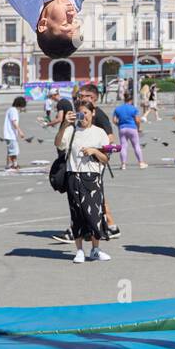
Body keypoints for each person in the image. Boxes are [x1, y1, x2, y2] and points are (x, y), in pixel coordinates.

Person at [55, 102, 112, 263]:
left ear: (93, 113)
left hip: (93, 177)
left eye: (86, 113)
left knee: (95, 215)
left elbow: (105, 159)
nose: (83, 116)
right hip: (74, 176)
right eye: (80, 113)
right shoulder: (71, 130)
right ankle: (79, 250)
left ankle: (95, 249)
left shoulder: (100, 133)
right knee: (77, 214)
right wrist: (65, 123)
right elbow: (58, 143)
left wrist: (94, 150)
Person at [77, 84, 121, 236]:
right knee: (92, 194)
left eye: (83, 96)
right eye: (79, 96)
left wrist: (97, 151)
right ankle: (111, 225)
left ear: (92, 98)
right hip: (84, 161)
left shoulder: (100, 115)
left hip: (95, 161)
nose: (80, 98)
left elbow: (110, 139)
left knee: (88, 194)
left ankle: (77, 228)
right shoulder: (83, 113)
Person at [112, 92, 146, 169]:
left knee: (123, 146)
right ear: (131, 100)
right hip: (132, 128)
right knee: (136, 145)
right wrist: (139, 128)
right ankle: (141, 163)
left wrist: (119, 125)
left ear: (124, 99)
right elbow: (137, 120)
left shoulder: (118, 109)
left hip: (122, 128)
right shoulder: (133, 108)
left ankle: (123, 164)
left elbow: (114, 120)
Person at [1, 96, 27, 171]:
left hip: (9, 134)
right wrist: (20, 131)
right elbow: (14, 122)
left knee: (11, 150)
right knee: (13, 150)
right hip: (10, 134)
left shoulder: (10, 109)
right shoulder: (14, 111)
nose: (23, 108)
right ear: (20, 105)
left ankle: (9, 165)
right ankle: (13, 165)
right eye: (23, 106)